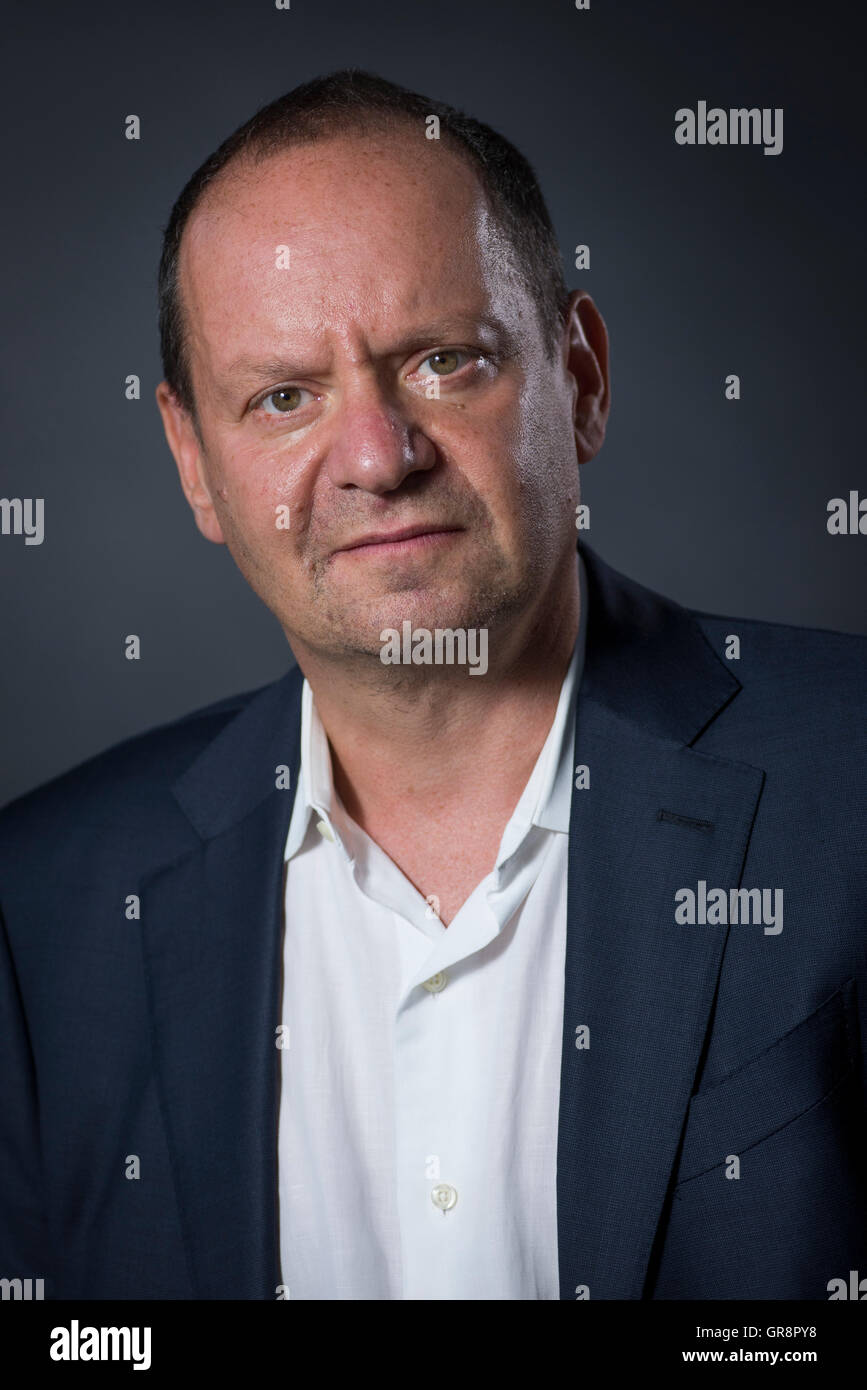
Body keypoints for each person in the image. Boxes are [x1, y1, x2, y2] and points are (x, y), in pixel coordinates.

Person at [1, 69, 865, 1302]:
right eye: (284, 396)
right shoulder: (42, 914)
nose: (374, 456)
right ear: (196, 462)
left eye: (445, 363)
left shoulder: (850, 784)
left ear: (582, 379)